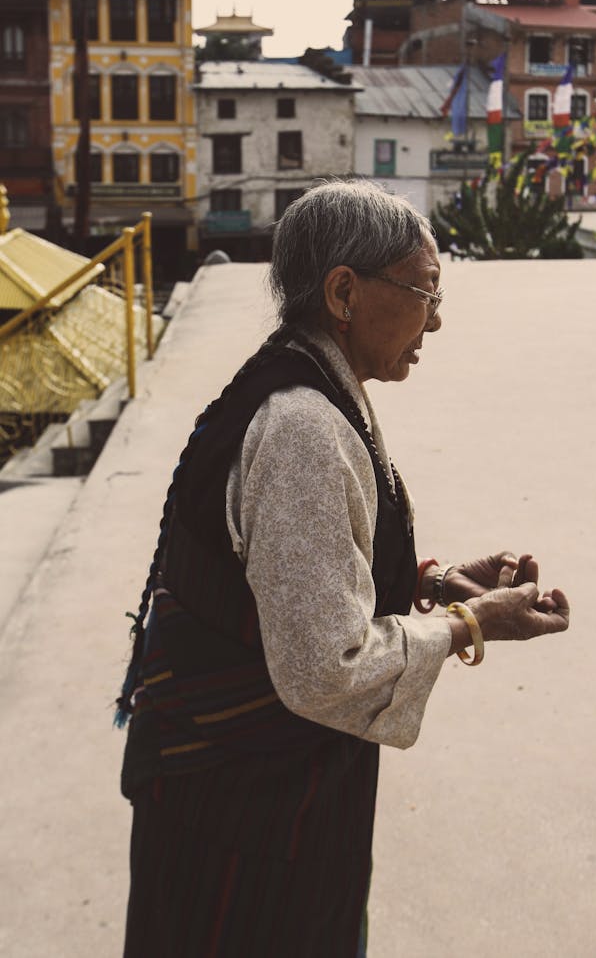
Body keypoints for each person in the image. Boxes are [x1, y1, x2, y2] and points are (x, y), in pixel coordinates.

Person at [116, 180, 570, 958]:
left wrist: (432, 581)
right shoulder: (301, 427)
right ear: (344, 291)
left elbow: (296, 568)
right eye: (424, 291)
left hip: (243, 789)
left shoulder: (308, 380)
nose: (436, 317)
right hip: (245, 807)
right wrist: (471, 622)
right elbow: (327, 668)